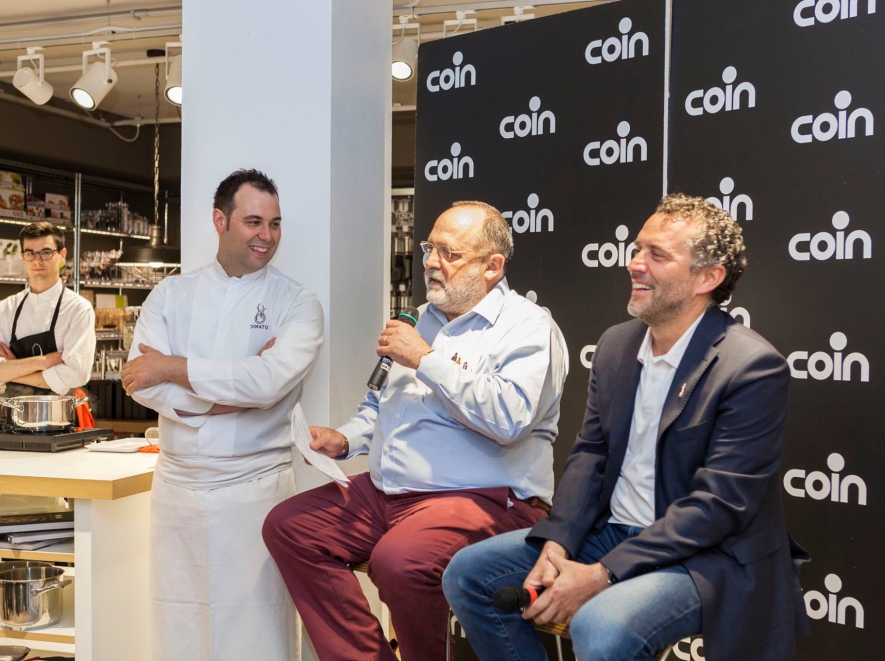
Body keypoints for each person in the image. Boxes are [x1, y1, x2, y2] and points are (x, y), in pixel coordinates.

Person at [443, 194, 810, 661]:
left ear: (708, 278)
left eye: (657, 255)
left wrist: (601, 573)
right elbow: (592, 453)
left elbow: (719, 506)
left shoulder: (750, 366)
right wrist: (558, 542)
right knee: (468, 572)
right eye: (637, 249)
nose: (635, 264)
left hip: (707, 555)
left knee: (602, 624)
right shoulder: (617, 345)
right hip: (613, 529)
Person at [262, 200, 569, 661]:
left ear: (492, 266)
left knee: (399, 561)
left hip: (485, 496)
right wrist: (345, 439)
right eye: (429, 247)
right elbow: (381, 404)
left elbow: (509, 419)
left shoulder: (527, 327)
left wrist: (426, 360)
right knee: (290, 527)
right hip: (389, 492)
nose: (429, 261)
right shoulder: (419, 318)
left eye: (448, 252)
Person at [121, 169, 323, 661]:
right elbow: (139, 385)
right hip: (178, 490)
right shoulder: (170, 295)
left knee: (260, 629)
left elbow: (270, 383)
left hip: (255, 489)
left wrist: (170, 368)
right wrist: (238, 389)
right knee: (179, 623)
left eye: (275, 224)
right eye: (254, 221)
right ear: (220, 220)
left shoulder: (297, 301)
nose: (267, 236)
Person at [0, 222, 95, 396]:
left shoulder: (78, 309)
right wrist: (43, 362)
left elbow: (76, 374)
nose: (37, 261)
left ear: (62, 255)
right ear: (22, 257)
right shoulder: (7, 308)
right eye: (30, 253)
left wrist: (13, 369)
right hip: (13, 417)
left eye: (45, 253)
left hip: (60, 418)